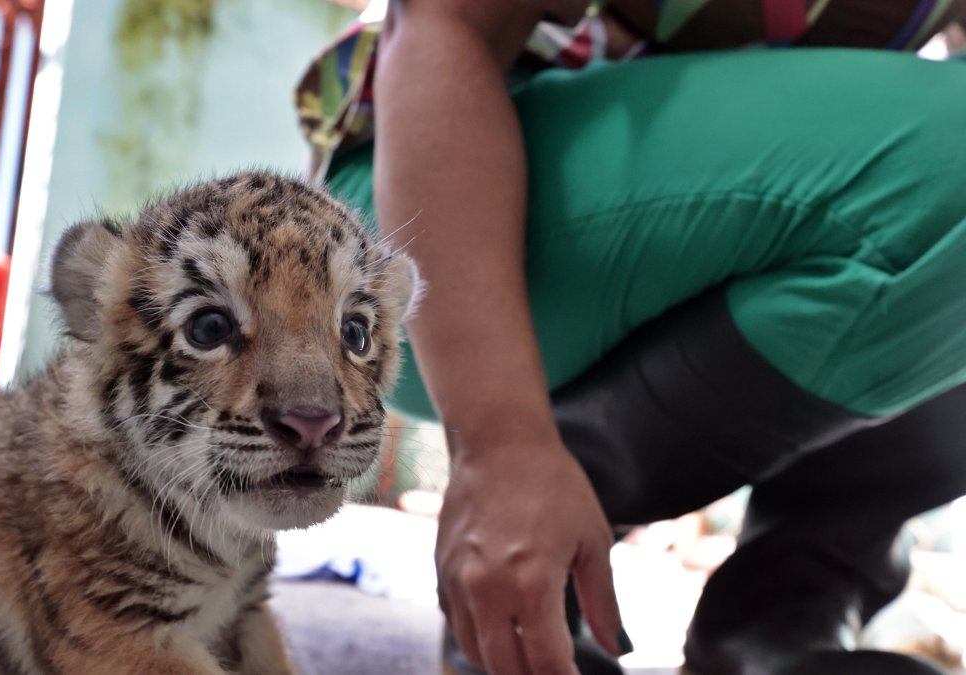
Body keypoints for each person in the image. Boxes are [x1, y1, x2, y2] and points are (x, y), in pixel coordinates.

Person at [295, 1, 966, 673]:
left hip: (752, 195)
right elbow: (445, 23)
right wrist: (501, 448)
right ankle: (531, 587)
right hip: (434, 213)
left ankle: (781, 618)